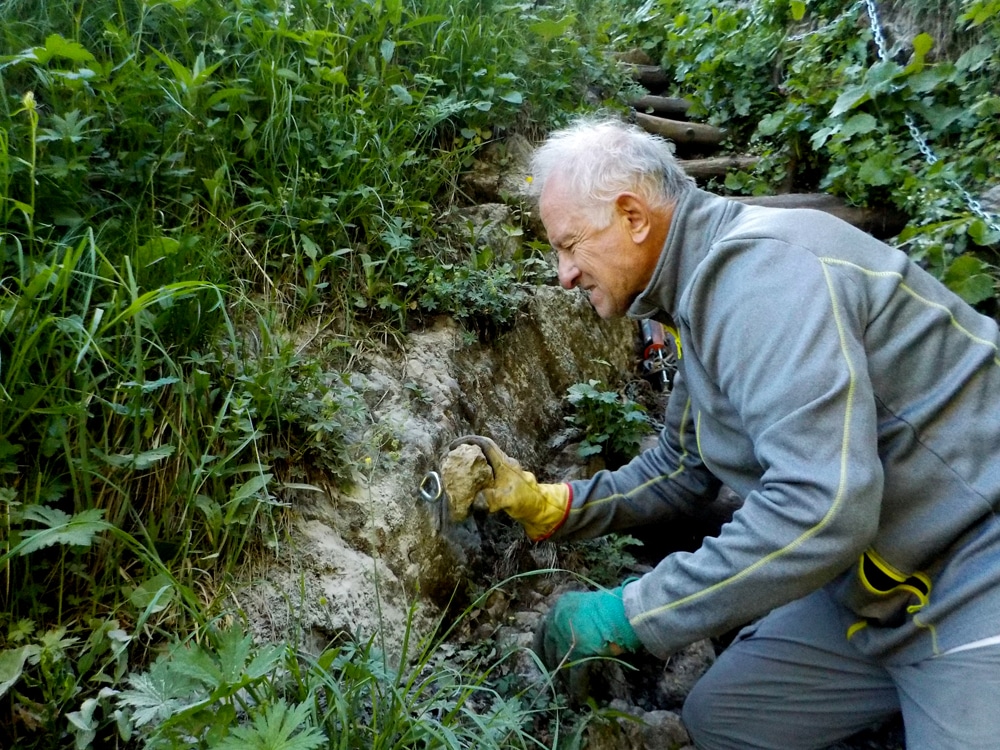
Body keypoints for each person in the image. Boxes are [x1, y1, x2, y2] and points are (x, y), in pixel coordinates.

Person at [454, 115, 1000, 749]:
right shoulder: (697, 294)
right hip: (877, 595)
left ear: (632, 216)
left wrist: (631, 613)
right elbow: (682, 467)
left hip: (974, 570)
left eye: (570, 245)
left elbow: (822, 508)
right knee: (727, 719)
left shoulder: (760, 279)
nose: (564, 274)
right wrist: (554, 504)